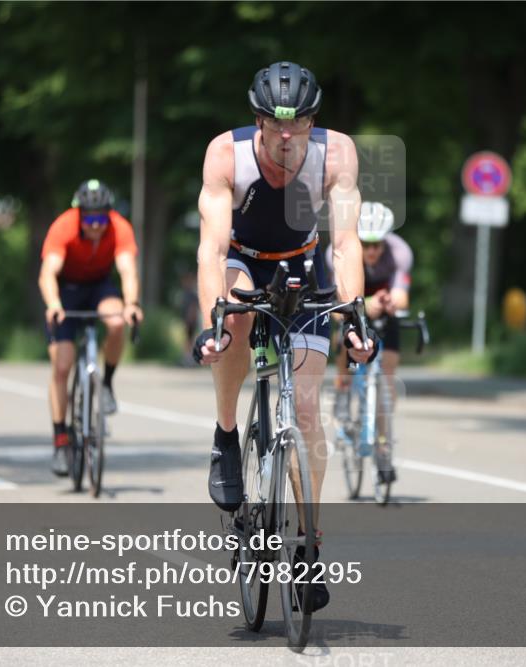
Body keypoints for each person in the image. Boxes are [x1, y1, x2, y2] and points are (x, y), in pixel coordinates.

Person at [193, 61, 376, 611]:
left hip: (302, 267)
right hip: (243, 262)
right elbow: (211, 249)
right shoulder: (226, 154)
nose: (289, 135)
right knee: (237, 317)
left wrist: (357, 318)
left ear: (313, 122)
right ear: (260, 122)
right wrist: (214, 319)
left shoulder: (337, 154)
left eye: (300, 124)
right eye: (277, 124)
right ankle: (227, 434)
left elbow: (345, 245)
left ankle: (308, 549)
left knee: (308, 411)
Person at [38, 179, 142, 476]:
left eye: (101, 218)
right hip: (66, 290)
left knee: (117, 320)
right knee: (62, 366)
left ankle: (106, 383)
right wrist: (54, 304)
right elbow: (47, 273)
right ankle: (60, 441)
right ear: (79, 214)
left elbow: (127, 270)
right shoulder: (64, 226)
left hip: (99, 287)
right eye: (90, 219)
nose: (95, 225)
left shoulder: (119, 227)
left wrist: (132, 302)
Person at [326, 202, 413, 485]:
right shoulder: (337, 251)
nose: (372, 251)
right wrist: (362, 307)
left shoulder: (400, 253)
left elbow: (402, 296)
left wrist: (387, 302)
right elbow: (337, 301)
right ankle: (343, 391)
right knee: (343, 331)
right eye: (366, 244)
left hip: (385, 311)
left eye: (377, 244)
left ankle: (383, 445)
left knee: (387, 379)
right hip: (353, 303)